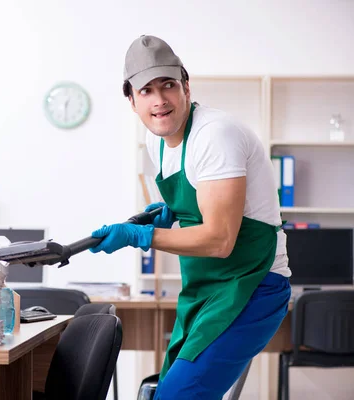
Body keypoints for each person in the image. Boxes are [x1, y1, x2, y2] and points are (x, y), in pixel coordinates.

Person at [89, 35, 292, 399]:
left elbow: (219, 238)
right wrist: (173, 213)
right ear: (131, 101)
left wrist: (141, 236)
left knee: (178, 395)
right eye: (146, 91)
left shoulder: (215, 134)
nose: (160, 100)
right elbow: (203, 203)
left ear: (185, 86)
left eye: (167, 85)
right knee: (166, 390)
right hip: (203, 289)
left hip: (254, 285)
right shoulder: (157, 142)